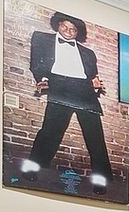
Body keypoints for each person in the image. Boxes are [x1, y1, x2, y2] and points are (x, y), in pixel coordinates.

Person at [21, 12, 113, 192]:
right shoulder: (41, 39)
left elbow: (93, 76)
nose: (68, 31)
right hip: (59, 86)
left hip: (84, 90)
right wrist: (42, 79)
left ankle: (101, 181)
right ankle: (32, 169)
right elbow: (36, 63)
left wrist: (95, 84)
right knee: (49, 132)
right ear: (58, 25)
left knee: (95, 138)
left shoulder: (89, 53)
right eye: (65, 26)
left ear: (78, 32)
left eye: (73, 29)